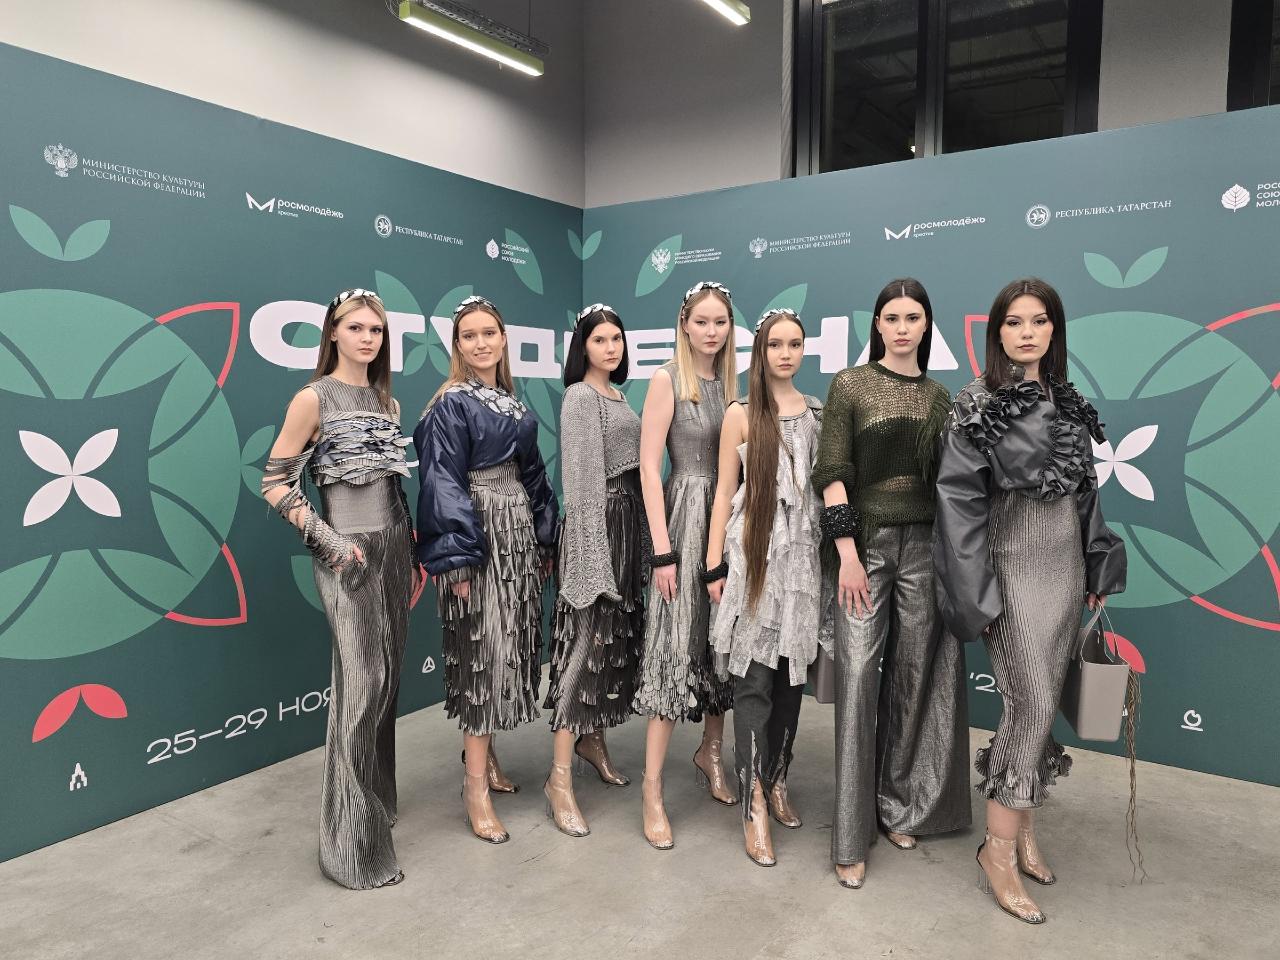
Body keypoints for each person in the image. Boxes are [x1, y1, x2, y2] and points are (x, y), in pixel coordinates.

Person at [934, 277, 1127, 923]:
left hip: (1064, 566)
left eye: (1038, 321)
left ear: (1054, 330)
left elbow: (1086, 493)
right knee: (1030, 703)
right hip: (1011, 567)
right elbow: (957, 500)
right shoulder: (976, 401)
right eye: (1013, 322)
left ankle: (1022, 827)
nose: (1026, 332)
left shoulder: (1067, 399)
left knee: (1042, 708)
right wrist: (973, 588)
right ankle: (996, 852)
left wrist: (1097, 561)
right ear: (997, 332)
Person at [812, 278, 971, 890]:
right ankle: (851, 837)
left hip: (925, 549)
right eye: (892, 317)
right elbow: (832, 474)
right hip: (865, 551)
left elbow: (950, 484)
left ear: (926, 325)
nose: (902, 328)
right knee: (856, 680)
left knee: (912, 678)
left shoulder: (939, 397)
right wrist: (847, 554)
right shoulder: (850, 385)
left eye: (913, 318)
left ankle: (899, 807)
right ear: (876, 325)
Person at [260, 288, 413, 889]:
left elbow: (392, 484)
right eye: (356, 328)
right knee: (361, 685)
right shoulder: (313, 397)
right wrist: (327, 540)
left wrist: (412, 548)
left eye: (376, 329)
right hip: (346, 552)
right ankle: (350, 846)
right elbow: (275, 483)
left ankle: (376, 803)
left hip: (395, 548)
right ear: (333, 332)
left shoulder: (386, 401)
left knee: (387, 684)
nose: (367, 338)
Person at [413, 295, 558, 844]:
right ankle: (474, 788)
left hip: (516, 537)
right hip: (480, 534)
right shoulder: (450, 404)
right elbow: (440, 482)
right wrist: (457, 558)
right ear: (457, 345)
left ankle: (487, 758)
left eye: (489, 333)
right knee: (481, 653)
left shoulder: (511, 402)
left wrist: (545, 536)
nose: (481, 343)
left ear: (503, 339)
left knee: (507, 648)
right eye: (469, 335)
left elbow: (534, 474)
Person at [705, 308, 828, 867]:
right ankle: (753, 800)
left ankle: (778, 779)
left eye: (794, 344)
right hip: (753, 560)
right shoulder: (740, 413)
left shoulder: (817, 413)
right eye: (775, 344)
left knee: (789, 682)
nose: (785, 353)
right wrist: (714, 564)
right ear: (760, 350)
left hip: (802, 565)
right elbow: (723, 491)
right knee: (753, 681)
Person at [633, 281, 739, 849]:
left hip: (728, 523)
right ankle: (651, 790)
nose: (711, 331)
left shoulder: (736, 385)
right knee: (674, 648)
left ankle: (711, 752)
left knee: (721, 645)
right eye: (702, 321)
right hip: (682, 519)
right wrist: (663, 551)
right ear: (684, 324)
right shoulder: (666, 379)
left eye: (720, 321)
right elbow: (649, 469)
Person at [542, 304, 645, 837]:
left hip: (626, 524)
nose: (610, 348)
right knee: (583, 649)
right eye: (600, 339)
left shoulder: (617, 395)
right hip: (598, 527)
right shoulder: (581, 396)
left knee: (609, 648)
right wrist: (590, 561)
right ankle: (558, 779)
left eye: (616, 339)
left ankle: (593, 740)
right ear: (582, 346)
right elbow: (581, 485)